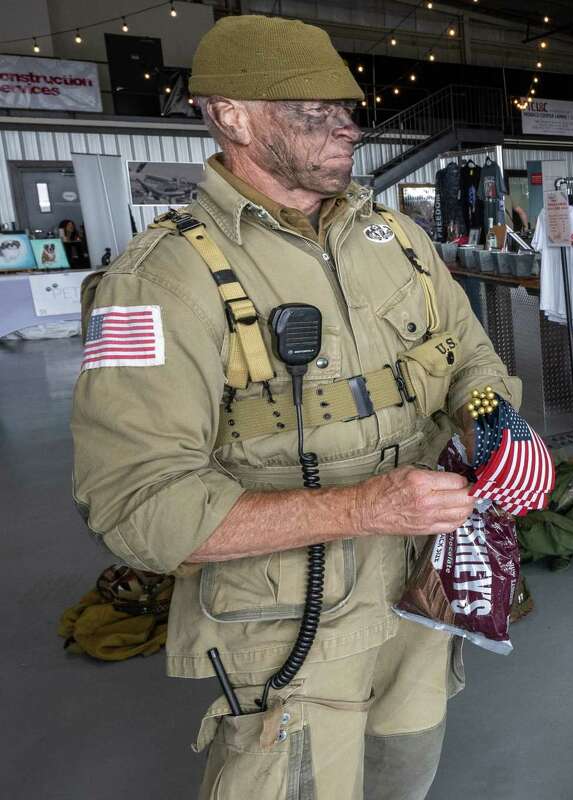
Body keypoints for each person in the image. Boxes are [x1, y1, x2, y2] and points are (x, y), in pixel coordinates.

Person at [71, 15, 520, 800]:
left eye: (348, 108)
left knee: (405, 780)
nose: (347, 127)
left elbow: (471, 354)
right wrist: (366, 507)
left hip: (423, 599)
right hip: (291, 634)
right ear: (231, 115)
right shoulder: (161, 279)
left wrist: (493, 422)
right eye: (316, 112)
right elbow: (138, 509)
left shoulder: (398, 239)